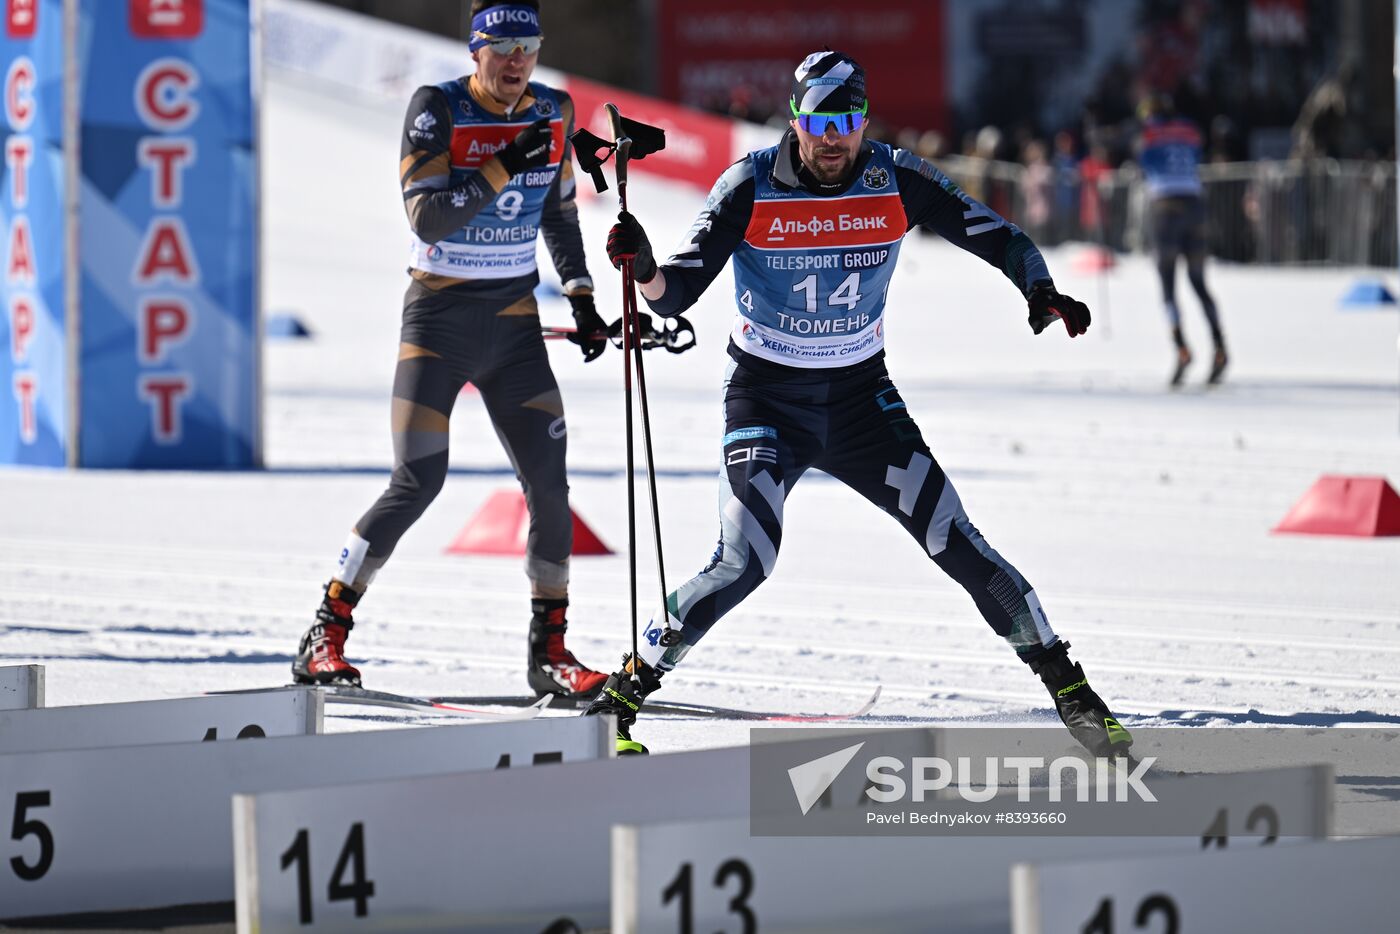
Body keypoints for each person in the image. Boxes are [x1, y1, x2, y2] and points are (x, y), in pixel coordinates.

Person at [586, 50, 1132, 759]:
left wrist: (1039, 287)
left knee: (957, 542)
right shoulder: (749, 185)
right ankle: (623, 696)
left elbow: (998, 233)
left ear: (864, 121)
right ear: (796, 120)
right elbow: (675, 293)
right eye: (819, 121)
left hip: (860, 405)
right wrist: (643, 263)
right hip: (767, 401)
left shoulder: (895, 177)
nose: (833, 137)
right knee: (744, 560)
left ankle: (1073, 692)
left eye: (847, 120)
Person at [292, 0, 609, 699]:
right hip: (438, 324)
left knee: (550, 487)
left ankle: (548, 652)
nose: (516, 61)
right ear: (476, 51)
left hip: (515, 327)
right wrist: (502, 164)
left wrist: (582, 297)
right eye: (502, 48)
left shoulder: (553, 110)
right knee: (417, 481)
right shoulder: (436, 107)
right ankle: (325, 632)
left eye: (528, 46)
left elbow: (557, 211)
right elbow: (427, 216)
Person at [1137, 93, 1227, 387]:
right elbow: (1196, 154)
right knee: (1199, 282)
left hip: (1164, 206)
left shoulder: (1149, 132)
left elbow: (1144, 161)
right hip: (1195, 203)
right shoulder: (1189, 129)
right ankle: (1219, 345)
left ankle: (1181, 347)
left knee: (1168, 286)